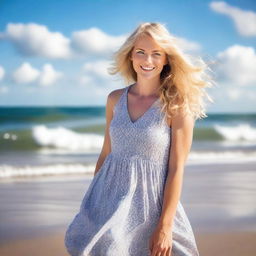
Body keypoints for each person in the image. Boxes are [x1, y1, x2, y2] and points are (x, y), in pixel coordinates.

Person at [64, 22, 214, 256]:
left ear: (166, 59)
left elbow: (176, 169)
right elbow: (106, 154)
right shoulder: (114, 99)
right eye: (141, 52)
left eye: (156, 54)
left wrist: (165, 225)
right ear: (131, 56)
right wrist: (92, 202)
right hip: (108, 201)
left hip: (150, 207)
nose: (148, 61)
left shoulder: (176, 105)